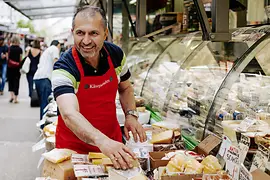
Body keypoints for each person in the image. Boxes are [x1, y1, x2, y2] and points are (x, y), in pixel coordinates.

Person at [52, 6, 146, 170]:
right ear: (72, 32)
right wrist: (101, 141)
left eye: (93, 33)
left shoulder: (116, 55)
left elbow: (125, 88)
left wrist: (131, 114)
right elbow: (69, 113)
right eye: (80, 33)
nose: (86, 41)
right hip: (74, 150)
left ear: (105, 33)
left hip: (112, 144)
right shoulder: (64, 67)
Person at [34, 40, 60, 121]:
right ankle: (44, 127)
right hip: (45, 79)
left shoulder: (46, 51)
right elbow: (56, 63)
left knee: (43, 103)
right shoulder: (55, 49)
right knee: (46, 104)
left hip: (37, 78)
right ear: (57, 45)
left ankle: (42, 122)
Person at [7, 36, 23, 103]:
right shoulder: (20, 49)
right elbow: (20, 59)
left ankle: (12, 96)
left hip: (10, 67)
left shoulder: (9, 48)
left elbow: (7, 58)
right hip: (17, 68)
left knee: (10, 82)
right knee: (16, 82)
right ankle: (16, 98)